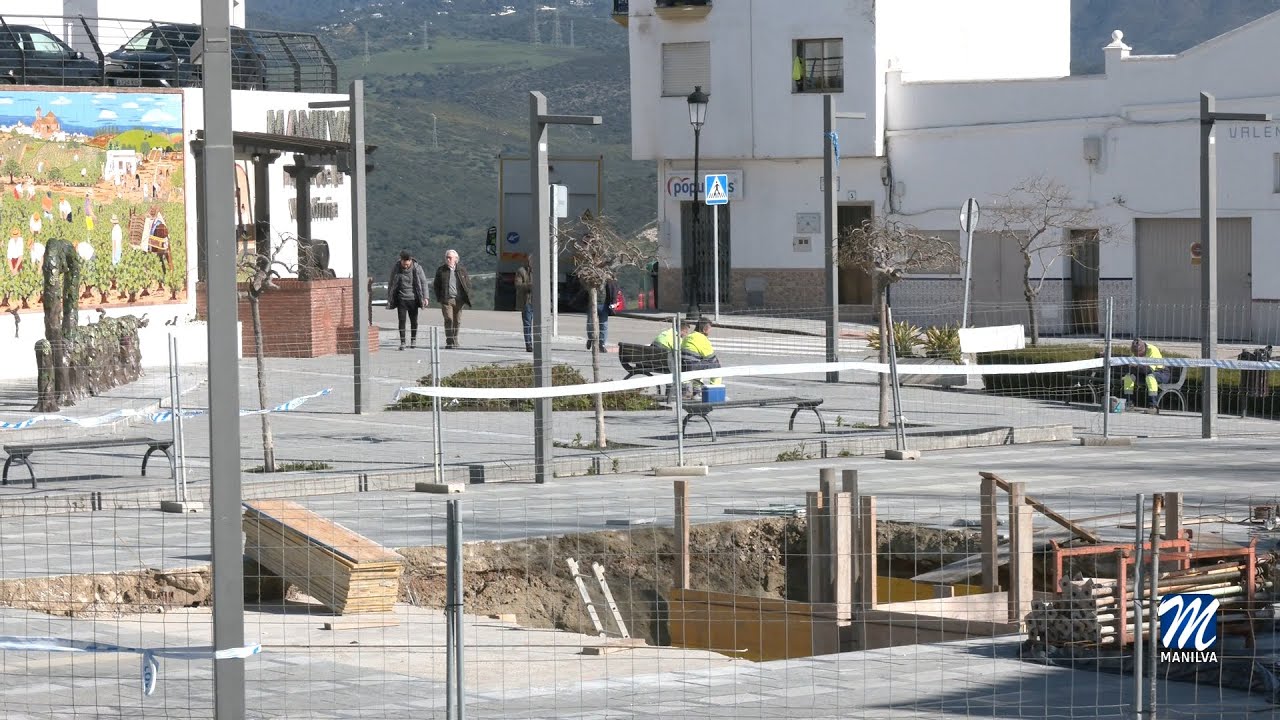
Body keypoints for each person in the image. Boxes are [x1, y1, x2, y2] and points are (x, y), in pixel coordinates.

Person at [387, 250, 428, 350]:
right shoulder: (396, 268)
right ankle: (403, 342)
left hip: (413, 298)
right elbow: (391, 282)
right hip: (401, 298)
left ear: (410, 261)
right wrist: (389, 297)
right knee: (401, 320)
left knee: (414, 320)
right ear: (401, 260)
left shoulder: (417, 268)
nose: (405, 265)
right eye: (403, 263)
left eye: (407, 263)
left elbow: (423, 282)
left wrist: (425, 297)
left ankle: (413, 339)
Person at [432, 248, 472, 349]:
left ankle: (455, 339)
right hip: (447, 299)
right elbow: (436, 285)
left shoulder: (461, 270)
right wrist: (440, 298)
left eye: (450, 258)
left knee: (457, 320)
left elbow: (468, 283)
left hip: (459, 300)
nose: (448, 259)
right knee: (448, 319)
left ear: (456, 259)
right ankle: (449, 341)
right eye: (447, 257)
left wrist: (466, 295)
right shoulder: (441, 270)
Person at [681, 317, 722, 398]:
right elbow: (711, 358)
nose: (710, 331)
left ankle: (697, 391)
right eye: (710, 328)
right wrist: (718, 362)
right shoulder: (702, 338)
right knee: (717, 367)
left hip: (683, 365)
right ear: (705, 329)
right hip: (692, 366)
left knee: (699, 363)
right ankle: (715, 393)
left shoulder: (689, 336)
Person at [1122, 338, 1168, 409]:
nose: (1137, 356)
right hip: (1143, 373)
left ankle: (1153, 406)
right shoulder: (1135, 349)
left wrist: (1136, 365)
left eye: (1138, 355)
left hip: (1161, 373)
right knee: (1129, 377)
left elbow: (1149, 370)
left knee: (1150, 377)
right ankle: (1129, 403)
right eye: (1135, 354)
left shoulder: (1152, 350)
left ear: (1143, 351)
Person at [584, 276, 620, 353]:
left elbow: (614, 291)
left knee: (603, 325)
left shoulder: (609, 280)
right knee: (591, 324)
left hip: (604, 305)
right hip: (593, 304)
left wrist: (613, 304)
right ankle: (591, 339)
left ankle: (601, 344)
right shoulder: (592, 279)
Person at [514, 255, 534, 352]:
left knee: (539, 324)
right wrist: (531, 286)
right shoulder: (521, 271)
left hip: (538, 302)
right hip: (527, 302)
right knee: (527, 324)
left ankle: (538, 343)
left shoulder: (540, 271)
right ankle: (528, 344)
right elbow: (518, 285)